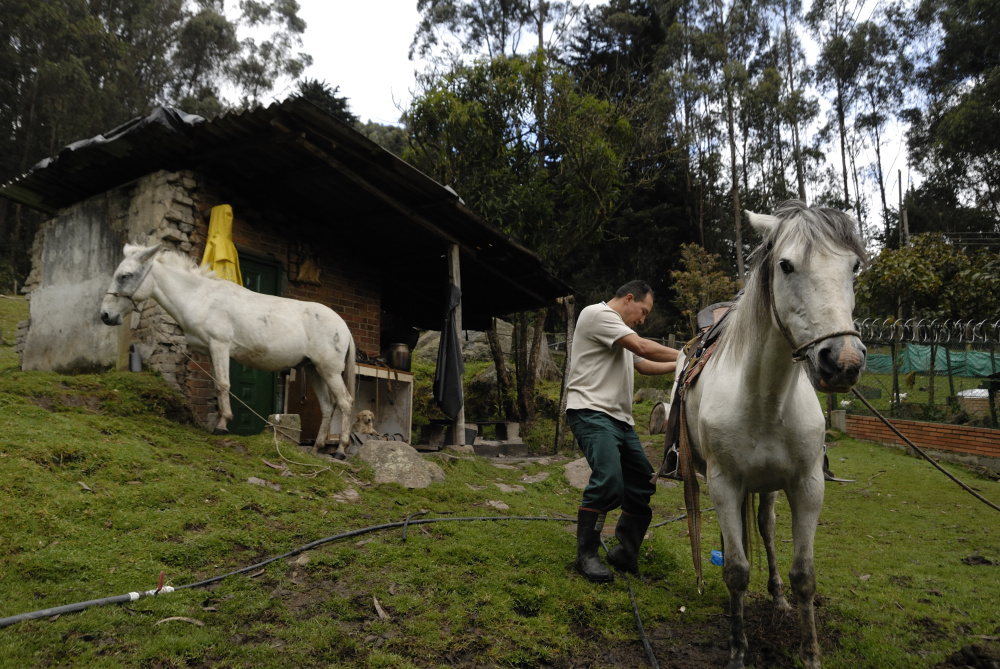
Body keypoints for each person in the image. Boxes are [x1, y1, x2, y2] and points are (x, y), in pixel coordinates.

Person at [565, 280, 680, 582]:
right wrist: (688, 354)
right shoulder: (598, 315)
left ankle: (625, 553)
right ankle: (586, 555)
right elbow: (643, 346)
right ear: (629, 298)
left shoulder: (620, 333)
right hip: (591, 412)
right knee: (609, 483)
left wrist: (684, 367)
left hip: (619, 420)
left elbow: (644, 364)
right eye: (643, 311)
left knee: (642, 484)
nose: (643, 319)